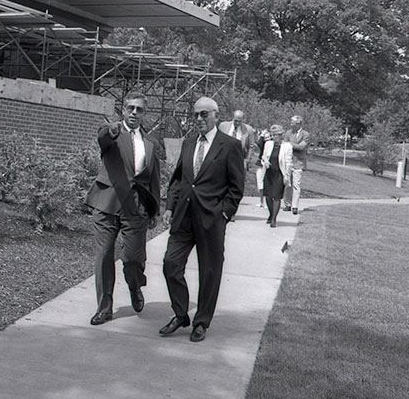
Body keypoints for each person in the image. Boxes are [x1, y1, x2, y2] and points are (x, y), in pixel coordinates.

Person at [159, 97, 245, 342]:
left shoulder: (229, 146)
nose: (199, 119)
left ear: (217, 116)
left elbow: (236, 187)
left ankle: (201, 322)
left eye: (204, 114)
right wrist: (169, 207)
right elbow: (178, 180)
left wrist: (224, 214)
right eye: (196, 114)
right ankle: (180, 314)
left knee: (209, 272)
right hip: (183, 217)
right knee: (170, 264)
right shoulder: (188, 143)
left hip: (211, 219)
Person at [85, 92, 161, 326]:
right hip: (107, 203)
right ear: (123, 110)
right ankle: (105, 306)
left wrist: (154, 209)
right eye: (130, 108)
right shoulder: (113, 133)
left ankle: (135, 286)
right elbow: (103, 138)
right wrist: (110, 130)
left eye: (139, 109)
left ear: (144, 113)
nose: (134, 112)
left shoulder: (151, 142)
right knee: (104, 254)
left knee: (133, 259)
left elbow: (154, 178)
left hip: (136, 207)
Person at [259, 125, 292, 227]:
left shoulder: (287, 146)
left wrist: (287, 176)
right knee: (268, 195)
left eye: (275, 135)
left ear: (281, 135)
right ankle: (270, 214)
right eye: (272, 135)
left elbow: (288, 162)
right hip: (269, 172)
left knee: (276, 196)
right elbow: (263, 156)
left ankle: (274, 219)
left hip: (279, 173)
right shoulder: (268, 144)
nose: (273, 137)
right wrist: (265, 162)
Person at [283, 115, 310, 214]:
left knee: (296, 184)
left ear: (298, 124)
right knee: (287, 184)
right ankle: (287, 204)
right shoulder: (288, 133)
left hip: (299, 162)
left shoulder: (305, 134)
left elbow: (301, 147)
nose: (291, 124)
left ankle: (295, 206)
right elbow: (284, 145)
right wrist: (292, 145)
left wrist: (290, 144)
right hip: (289, 161)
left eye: (293, 122)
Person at [255, 129, 271, 208]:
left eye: (268, 137)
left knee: (266, 184)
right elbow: (259, 143)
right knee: (260, 184)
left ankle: (266, 202)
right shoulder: (263, 145)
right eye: (266, 137)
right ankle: (261, 201)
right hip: (261, 165)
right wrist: (262, 135)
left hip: (268, 166)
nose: (267, 139)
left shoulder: (271, 145)